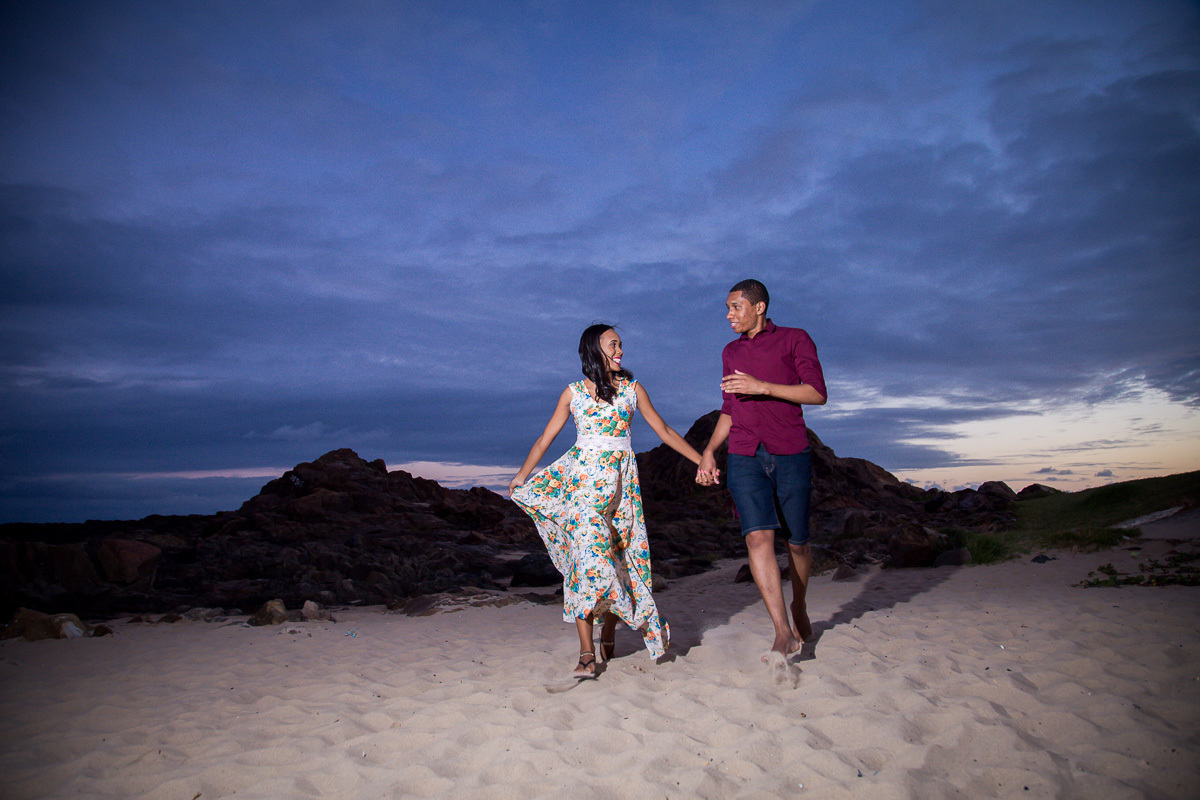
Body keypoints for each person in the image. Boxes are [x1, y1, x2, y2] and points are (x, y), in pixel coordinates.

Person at [509, 324, 714, 679]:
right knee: (586, 559)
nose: (620, 350)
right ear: (594, 350)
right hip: (582, 487)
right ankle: (586, 652)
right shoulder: (572, 393)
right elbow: (545, 438)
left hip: (622, 490)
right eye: (613, 344)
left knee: (620, 557)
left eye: (621, 345)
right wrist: (522, 475)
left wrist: (701, 460)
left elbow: (664, 431)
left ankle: (608, 629)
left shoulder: (633, 390)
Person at [696, 279, 827, 659]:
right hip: (744, 454)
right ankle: (782, 629)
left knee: (798, 543)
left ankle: (799, 604)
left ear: (759, 307)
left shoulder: (794, 339)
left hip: (790, 451)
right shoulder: (729, 351)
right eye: (728, 307)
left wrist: (764, 387)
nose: (729, 314)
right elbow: (730, 407)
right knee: (757, 538)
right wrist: (709, 451)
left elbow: (817, 393)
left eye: (736, 307)